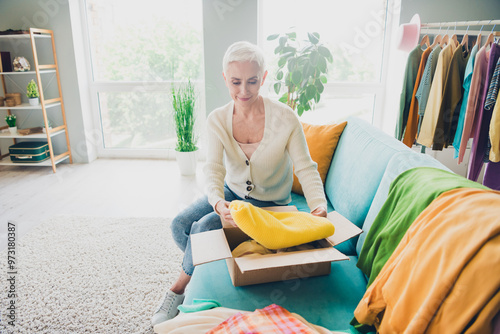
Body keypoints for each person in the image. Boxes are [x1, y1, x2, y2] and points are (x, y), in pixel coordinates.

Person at [151, 41, 328, 326]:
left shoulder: (286, 118)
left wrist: (318, 206)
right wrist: (218, 203)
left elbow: (306, 167)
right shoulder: (217, 120)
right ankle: (212, 265)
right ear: (225, 78)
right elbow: (213, 169)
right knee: (180, 226)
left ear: (264, 78)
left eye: (252, 81)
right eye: (235, 82)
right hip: (230, 193)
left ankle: (178, 290)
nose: (243, 91)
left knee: (204, 228)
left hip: (269, 204)